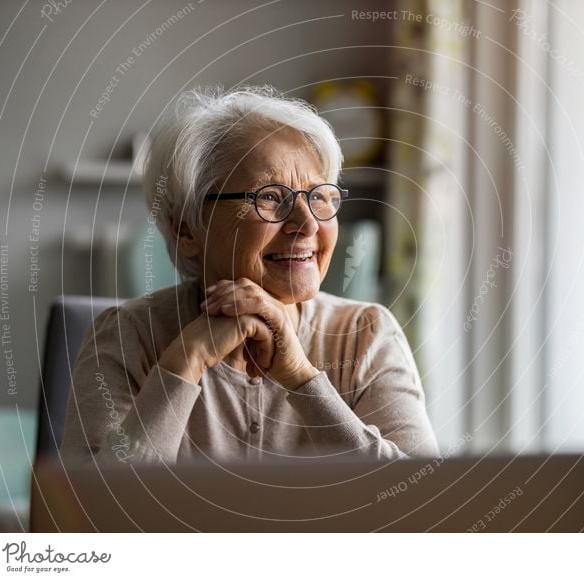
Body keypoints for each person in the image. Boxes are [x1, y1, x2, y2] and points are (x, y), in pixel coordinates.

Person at [60, 86, 439, 464]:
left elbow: (420, 505)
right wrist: (186, 360)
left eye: (320, 195)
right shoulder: (128, 336)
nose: (307, 224)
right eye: (271, 197)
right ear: (186, 230)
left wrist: (300, 377)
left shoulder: (366, 335)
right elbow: (96, 515)